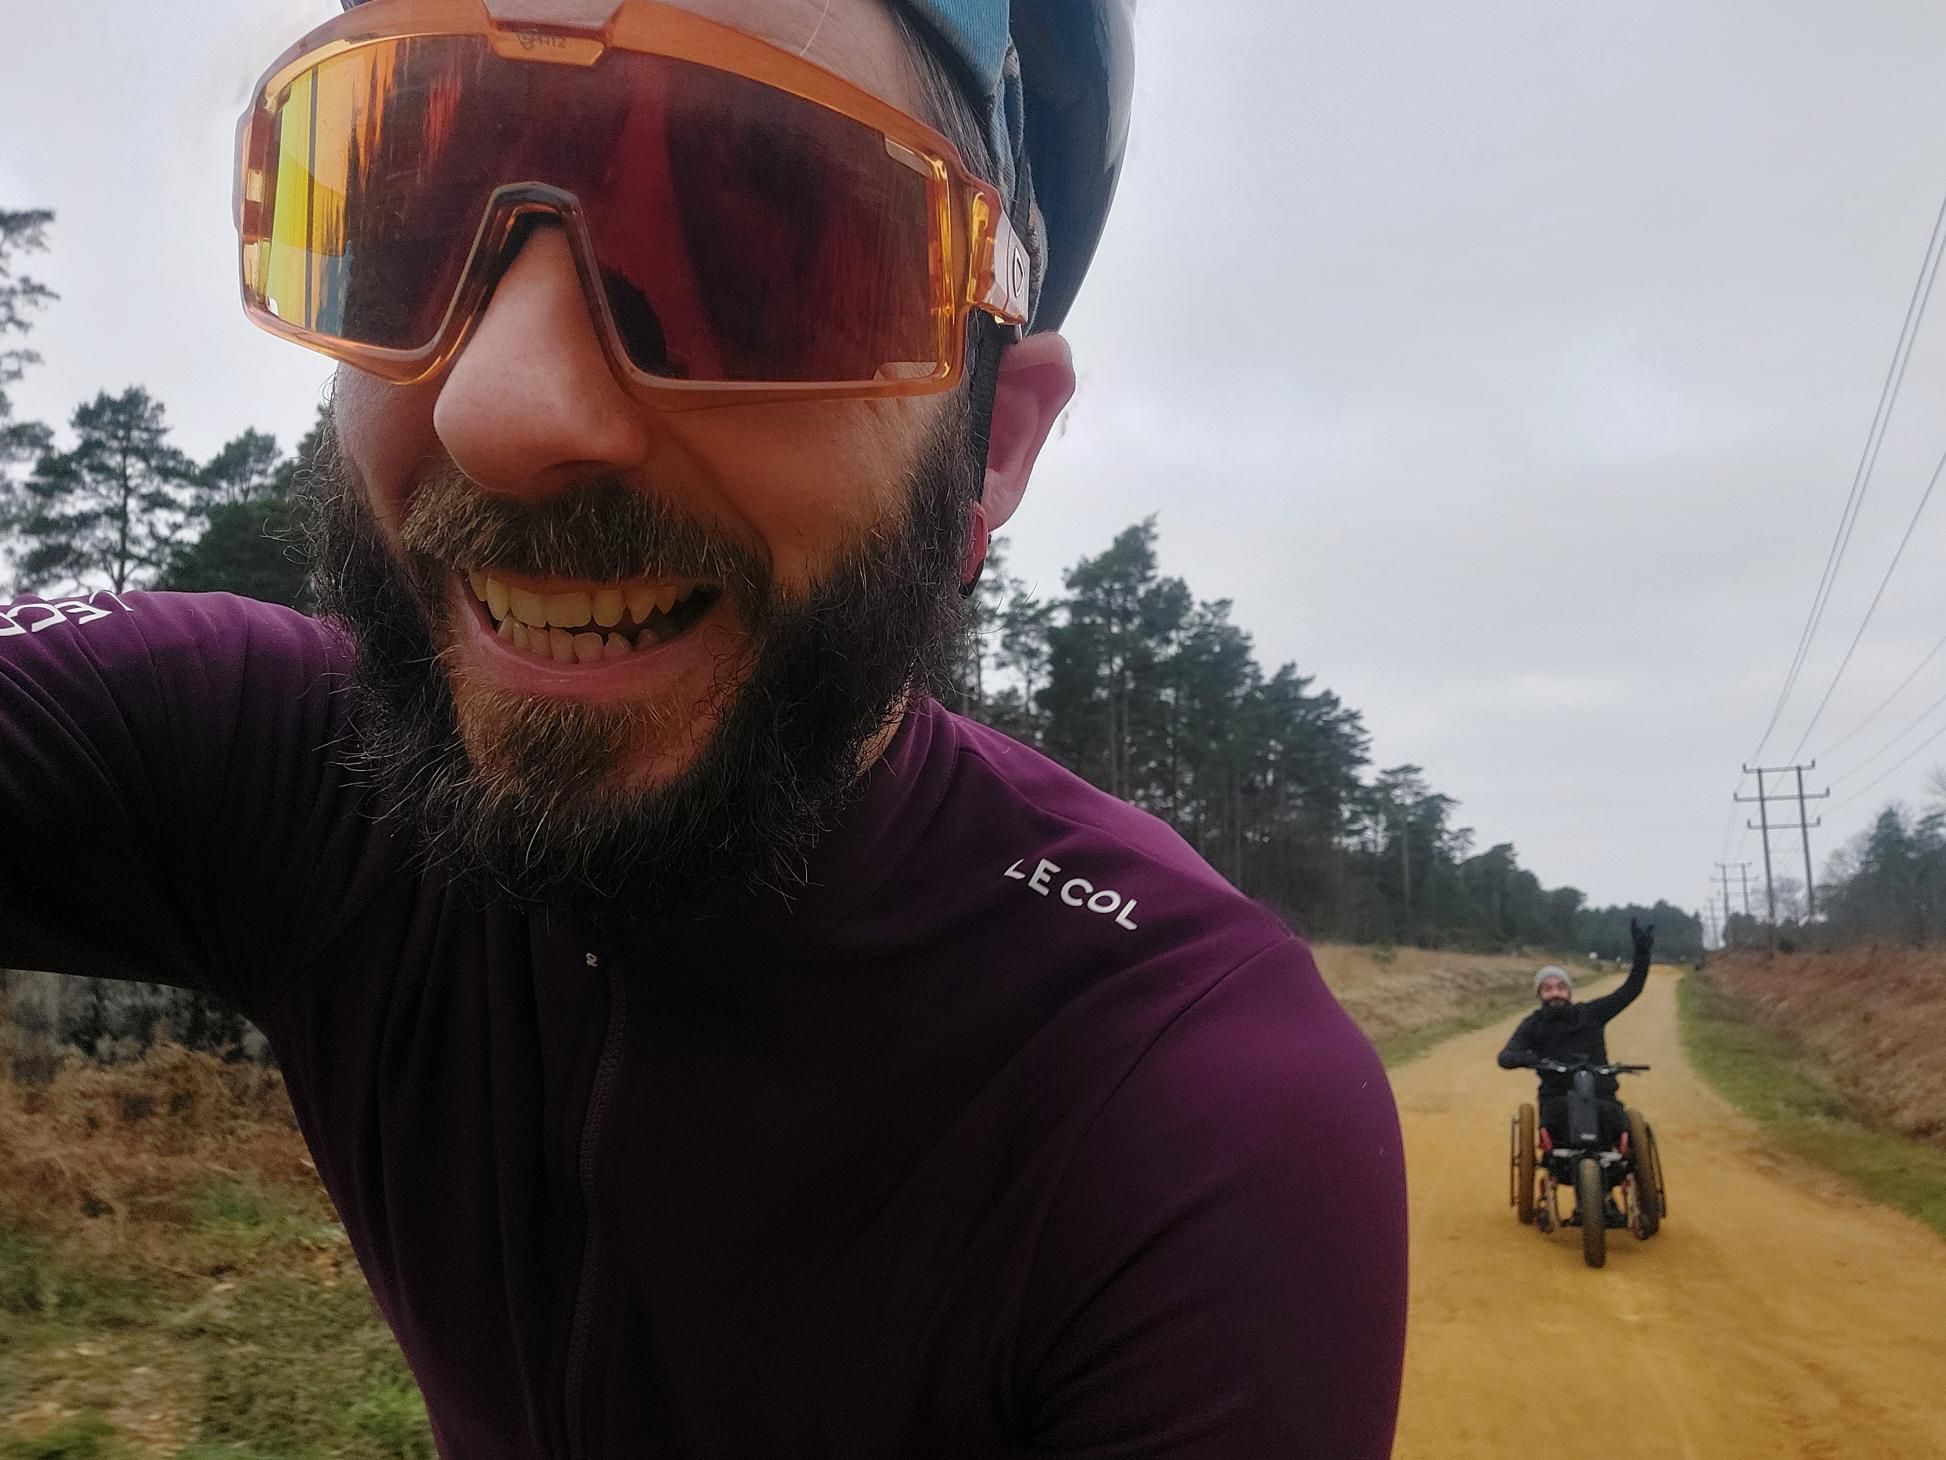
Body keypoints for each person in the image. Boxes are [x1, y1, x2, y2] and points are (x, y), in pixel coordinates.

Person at [1, 0, 1408, 1454]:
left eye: (752, 252)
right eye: (403, 221)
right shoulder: (296, 768)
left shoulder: (1176, 1090)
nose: (498, 408)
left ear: (991, 445)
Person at [1497, 918, 1656, 1153]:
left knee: (1616, 1119)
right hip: (1557, 1096)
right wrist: (1526, 1058)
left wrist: (1642, 954)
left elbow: (1630, 990)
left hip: (1601, 1093)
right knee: (1556, 1114)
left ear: (1569, 992)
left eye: (1561, 987)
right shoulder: (1533, 1024)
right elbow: (1505, 1056)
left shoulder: (1591, 1013)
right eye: (1548, 989)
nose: (1555, 993)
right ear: (1540, 994)